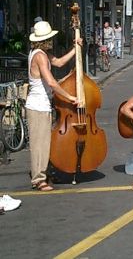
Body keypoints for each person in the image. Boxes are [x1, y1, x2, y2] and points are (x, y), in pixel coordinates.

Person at [26, 21, 80, 191]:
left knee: (44, 142)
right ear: (44, 40)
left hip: (42, 104)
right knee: (39, 144)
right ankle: (38, 179)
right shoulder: (40, 56)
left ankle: (43, 174)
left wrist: (75, 49)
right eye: (50, 38)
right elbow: (51, 82)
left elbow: (58, 62)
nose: (52, 41)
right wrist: (70, 97)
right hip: (37, 105)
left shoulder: (41, 53)